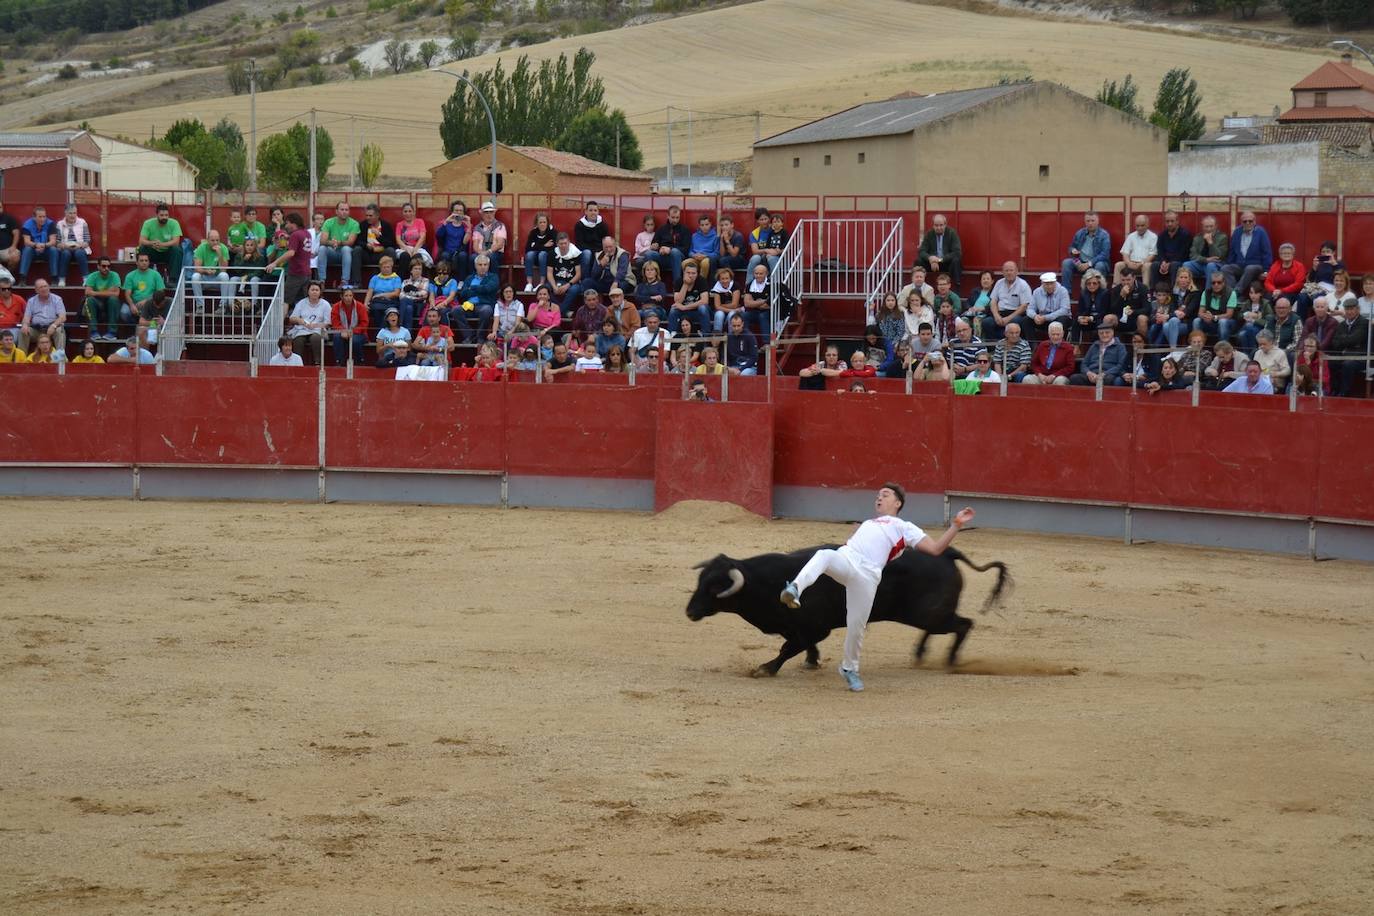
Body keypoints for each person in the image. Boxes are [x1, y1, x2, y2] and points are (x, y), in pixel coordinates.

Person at [780, 485, 976, 692]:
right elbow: (856, 545)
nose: (879, 498)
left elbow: (936, 549)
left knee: (856, 626)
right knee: (824, 555)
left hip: (868, 576)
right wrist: (855, 534)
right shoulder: (867, 523)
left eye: (885, 495)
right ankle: (794, 589)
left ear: (898, 503)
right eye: (878, 495)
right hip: (847, 559)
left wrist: (956, 525)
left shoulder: (904, 527)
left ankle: (849, 669)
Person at [266, 212, 313, 308]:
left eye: (287, 223)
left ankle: (280, 322)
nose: (286, 226)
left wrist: (274, 263)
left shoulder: (295, 235)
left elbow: (291, 253)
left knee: (285, 301)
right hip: (307, 272)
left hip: (296, 272)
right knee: (305, 301)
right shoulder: (307, 233)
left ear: (293, 223)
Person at [1061, 210, 1111, 295]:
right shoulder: (1080, 233)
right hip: (1080, 262)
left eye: (1092, 221)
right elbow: (1071, 247)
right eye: (1088, 221)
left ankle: (1098, 293)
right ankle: (1066, 294)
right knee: (1066, 263)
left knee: (1100, 265)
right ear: (1085, 222)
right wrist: (1073, 251)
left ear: (1098, 221)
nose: (1090, 223)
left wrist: (1088, 264)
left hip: (1095, 263)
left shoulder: (1104, 235)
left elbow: (1104, 254)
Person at [1222, 211, 1272, 294]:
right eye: (1245, 221)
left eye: (1250, 221)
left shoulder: (1261, 232)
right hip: (1240, 265)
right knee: (1225, 268)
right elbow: (1232, 251)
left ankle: (1235, 293)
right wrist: (1229, 263)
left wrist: (1266, 271)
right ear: (1241, 222)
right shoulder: (1237, 232)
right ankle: (1232, 292)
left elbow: (1266, 252)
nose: (1247, 223)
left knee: (1250, 268)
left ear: (1255, 222)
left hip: (1256, 266)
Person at [982, 261, 1032, 341]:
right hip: (1000, 313)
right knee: (986, 322)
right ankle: (995, 346)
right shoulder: (999, 283)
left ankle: (1010, 344)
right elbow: (993, 301)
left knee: (1015, 322)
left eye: (1011, 270)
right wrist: (996, 315)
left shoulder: (1023, 284)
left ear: (1016, 271)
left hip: (1015, 314)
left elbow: (1024, 306)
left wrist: (1008, 318)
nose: (1009, 273)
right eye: (1006, 270)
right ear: (1003, 272)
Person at [455, 253, 499, 343]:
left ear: (488, 266)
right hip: (469, 305)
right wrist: (480, 289)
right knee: (456, 310)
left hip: (484, 305)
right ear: (475, 266)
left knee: (486, 310)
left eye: (485, 265)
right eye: (480, 265)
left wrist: (472, 288)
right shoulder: (469, 278)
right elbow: (463, 293)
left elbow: (488, 288)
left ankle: (480, 337)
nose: (483, 267)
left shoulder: (493, 277)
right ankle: (469, 335)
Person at [1330, 299, 1369, 397]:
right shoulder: (1342, 324)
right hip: (1344, 355)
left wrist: (1344, 340)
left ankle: (1344, 393)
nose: (1349, 312)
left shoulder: (1364, 323)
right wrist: (1349, 341)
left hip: (1360, 358)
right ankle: (1333, 390)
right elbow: (1335, 343)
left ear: (1358, 310)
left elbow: (1356, 339)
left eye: (1352, 309)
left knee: (1348, 364)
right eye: (1347, 309)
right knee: (1331, 362)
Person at [1070, 318, 1126, 387]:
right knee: (1074, 378)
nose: (1104, 335)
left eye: (1107, 332)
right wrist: (1088, 373)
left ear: (1112, 333)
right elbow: (1084, 363)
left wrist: (1104, 374)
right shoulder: (1095, 345)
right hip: (1092, 374)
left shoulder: (1120, 346)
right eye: (1101, 333)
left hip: (1107, 374)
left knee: (1109, 380)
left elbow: (1120, 365)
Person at [137, 202, 184, 284]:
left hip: (167, 253)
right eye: (162, 215)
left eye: (166, 215)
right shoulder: (148, 223)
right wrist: (152, 243)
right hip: (153, 251)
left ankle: (173, 280)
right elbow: (141, 241)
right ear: (157, 215)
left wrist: (162, 244)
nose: (164, 217)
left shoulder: (174, 223)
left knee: (177, 250)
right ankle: (145, 276)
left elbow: (176, 242)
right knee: (142, 248)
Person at [317, 201, 360, 288]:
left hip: (346, 254)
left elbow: (351, 242)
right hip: (332, 252)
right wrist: (332, 243)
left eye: (346, 210)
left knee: (346, 249)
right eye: (342, 209)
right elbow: (322, 241)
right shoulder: (328, 222)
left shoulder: (354, 224)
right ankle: (321, 281)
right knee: (322, 248)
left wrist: (339, 242)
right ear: (336, 211)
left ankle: (344, 281)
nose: (344, 212)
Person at [190, 229, 233, 313]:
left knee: (224, 276)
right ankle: (200, 306)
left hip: (217, 278)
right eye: (212, 240)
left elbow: (224, 269)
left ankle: (222, 306)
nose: (215, 242)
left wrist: (219, 254)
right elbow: (197, 268)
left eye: (217, 240)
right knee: (195, 276)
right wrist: (206, 271)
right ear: (207, 240)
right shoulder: (201, 247)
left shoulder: (223, 248)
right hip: (205, 278)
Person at [288, 281, 331, 362]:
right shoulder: (301, 302)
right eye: (312, 290)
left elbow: (328, 323)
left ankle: (318, 362)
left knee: (315, 338)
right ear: (308, 291)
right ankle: (297, 363)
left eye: (317, 290)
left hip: (318, 329)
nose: (314, 292)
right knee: (298, 340)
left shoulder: (325, 304)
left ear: (320, 292)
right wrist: (299, 320)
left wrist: (316, 325)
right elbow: (292, 318)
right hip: (302, 328)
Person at [917, 214, 962, 293]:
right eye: (936, 225)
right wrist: (930, 258)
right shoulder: (929, 234)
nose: (938, 228)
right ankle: (918, 288)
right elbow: (921, 251)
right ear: (933, 225)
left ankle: (956, 290)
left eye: (941, 225)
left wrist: (939, 260)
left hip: (946, 263)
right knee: (918, 261)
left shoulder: (952, 233)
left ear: (945, 224)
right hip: (932, 264)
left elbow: (957, 252)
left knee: (956, 260)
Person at [647, 205, 690, 285]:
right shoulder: (661, 229)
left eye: (677, 217)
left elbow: (686, 249)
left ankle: (677, 285)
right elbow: (654, 243)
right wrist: (658, 248)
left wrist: (669, 249)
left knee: (675, 252)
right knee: (649, 254)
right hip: (662, 257)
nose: (675, 220)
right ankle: (652, 284)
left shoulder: (684, 229)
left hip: (678, 257)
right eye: (673, 217)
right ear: (668, 216)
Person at [82, 257, 122, 341]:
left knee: (113, 300)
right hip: (97, 303)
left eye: (108, 266)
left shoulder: (115, 275)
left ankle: (112, 332)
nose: (106, 268)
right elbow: (87, 292)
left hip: (109, 304)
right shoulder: (92, 276)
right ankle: (93, 332)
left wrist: (95, 293)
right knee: (89, 300)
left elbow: (116, 293)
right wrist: (108, 291)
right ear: (98, 266)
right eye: (103, 266)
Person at [20, 278, 66, 352]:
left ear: (49, 287)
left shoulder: (57, 299)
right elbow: (26, 317)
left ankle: (59, 359)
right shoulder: (31, 301)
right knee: (23, 331)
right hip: (36, 330)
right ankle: (21, 359)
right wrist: (25, 324)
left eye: (45, 286)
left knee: (60, 330)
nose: (44, 289)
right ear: (36, 290)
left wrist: (54, 325)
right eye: (41, 287)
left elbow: (62, 317)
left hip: (52, 329)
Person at [1185, 215, 1228, 289]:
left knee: (1210, 265)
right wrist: (1206, 260)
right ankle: (1188, 292)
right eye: (1206, 226)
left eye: (1211, 226)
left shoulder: (1222, 237)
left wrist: (1210, 243)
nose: (1209, 229)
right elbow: (1192, 255)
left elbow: (1219, 256)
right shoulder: (1197, 237)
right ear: (1202, 227)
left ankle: (1208, 294)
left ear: (1216, 226)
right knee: (1186, 265)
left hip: (1216, 265)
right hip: (1201, 264)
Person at [53, 203, 91, 286]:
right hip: (65, 248)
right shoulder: (60, 224)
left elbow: (87, 240)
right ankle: (62, 279)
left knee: (79, 253)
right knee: (65, 253)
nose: (72, 215)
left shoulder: (82, 222)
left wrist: (80, 245)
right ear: (65, 213)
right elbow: (57, 242)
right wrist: (63, 245)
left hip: (80, 247)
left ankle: (86, 279)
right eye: (70, 213)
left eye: (74, 213)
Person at [1195, 270, 1237, 344]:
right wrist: (1205, 316)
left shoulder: (1231, 293)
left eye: (1219, 282)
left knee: (1223, 322)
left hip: (1228, 322)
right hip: (1210, 322)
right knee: (1196, 321)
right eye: (1213, 283)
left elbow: (1229, 315)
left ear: (1223, 283)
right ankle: (1196, 348)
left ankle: (1223, 348)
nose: (1216, 285)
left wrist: (1214, 317)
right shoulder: (1206, 292)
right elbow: (1200, 313)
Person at [358, 203, 397, 282]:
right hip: (367, 253)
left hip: (381, 255)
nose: (368, 218)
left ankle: (390, 279)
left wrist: (379, 237)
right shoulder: (363, 225)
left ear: (377, 215)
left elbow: (392, 243)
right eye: (366, 215)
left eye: (370, 216)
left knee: (391, 250)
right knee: (357, 250)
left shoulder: (386, 225)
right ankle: (357, 281)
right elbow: (358, 241)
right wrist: (366, 245)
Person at [19, 205, 58, 283]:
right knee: (27, 249)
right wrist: (36, 245)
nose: (43, 219)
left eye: (44, 217)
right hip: (33, 250)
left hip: (45, 249)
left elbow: (53, 241)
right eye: (40, 217)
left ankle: (54, 278)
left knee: (53, 250)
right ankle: (22, 278)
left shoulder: (50, 224)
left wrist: (44, 245)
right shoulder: (27, 225)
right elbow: (27, 242)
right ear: (34, 217)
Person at [547, 233, 583, 316]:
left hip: (571, 282)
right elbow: (549, 273)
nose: (563, 246)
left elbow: (578, 274)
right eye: (561, 244)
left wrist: (568, 285)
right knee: (545, 288)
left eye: (565, 243)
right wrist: (554, 286)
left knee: (574, 289)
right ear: (557, 244)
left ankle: (559, 312)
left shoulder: (575, 253)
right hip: (557, 281)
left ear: (569, 243)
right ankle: (564, 311)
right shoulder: (552, 254)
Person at [1114, 214, 1157, 286]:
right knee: (1118, 265)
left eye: (1142, 225)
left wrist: (1141, 263)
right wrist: (1128, 263)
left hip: (1144, 264)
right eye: (1137, 226)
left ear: (1147, 225)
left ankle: (1146, 290)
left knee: (1147, 266)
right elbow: (1125, 253)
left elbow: (1152, 254)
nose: (1140, 228)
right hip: (1131, 263)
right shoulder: (1131, 236)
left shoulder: (1153, 237)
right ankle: (1116, 289)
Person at [364, 253, 404, 330]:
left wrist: (381, 295)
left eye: (388, 267)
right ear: (380, 268)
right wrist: (365, 303)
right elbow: (370, 292)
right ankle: (380, 332)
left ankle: (382, 333)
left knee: (388, 311)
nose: (386, 269)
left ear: (391, 267)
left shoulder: (396, 278)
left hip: (391, 302)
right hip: (377, 302)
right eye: (384, 267)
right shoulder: (375, 278)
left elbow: (396, 293)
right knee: (376, 309)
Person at [331, 287, 368, 365]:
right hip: (342, 332)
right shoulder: (336, 307)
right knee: (337, 337)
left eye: (350, 295)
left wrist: (352, 331)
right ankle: (339, 362)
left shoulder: (360, 306)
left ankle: (360, 362)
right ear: (341, 296)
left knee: (355, 340)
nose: (348, 298)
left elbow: (364, 323)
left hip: (359, 333)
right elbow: (335, 323)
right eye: (346, 295)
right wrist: (343, 331)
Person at [669, 261, 709, 334]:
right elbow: (678, 302)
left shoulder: (701, 280)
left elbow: (704, 300)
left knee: (703, 308)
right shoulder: (679, 281)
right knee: (673, 310)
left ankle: (705, 334)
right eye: (688, 273)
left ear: (697, 274)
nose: (690, 275)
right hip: (683, 312)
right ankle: (672, 335)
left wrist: (685, 307)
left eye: (693, 273)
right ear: (684, 272)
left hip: (696, 311)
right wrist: (685, 284)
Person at [573, 201, 611, 277]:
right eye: (590, 210)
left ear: (598, 212)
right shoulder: (579, 225)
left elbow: (606, 241)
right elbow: (579, 244)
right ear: (586, 212)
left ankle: (597, 279)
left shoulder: (603, 225)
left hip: (599, 251)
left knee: (604, 254)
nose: (593, 213)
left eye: (595, 210)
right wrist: (593, 251)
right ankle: (585, 279)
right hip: (585, 252)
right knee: (587, 253)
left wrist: (600, 252)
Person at [435, 200, 471, 281]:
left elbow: (465, 242)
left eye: (460, 211)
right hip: (447, 250)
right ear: (452, 211)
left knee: (463, 256)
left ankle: (461, 281)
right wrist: (446, 221)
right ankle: (445, 280)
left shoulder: (466, 225)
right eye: (456, 210)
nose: (458, 213)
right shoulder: (446, 223)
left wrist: (469, 226)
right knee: (445, 255)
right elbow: (438, 235)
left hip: (460, 251)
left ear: (464, 212)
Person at [1072, 269, 1111, 343]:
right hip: (1088, 320)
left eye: (1094, 283)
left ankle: (1096, 347)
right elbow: (1080, 311)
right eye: (1089, 283)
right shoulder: (1083, 293)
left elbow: (1104, 312)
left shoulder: (1105, 293)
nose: (1091, 285)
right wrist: (1080, 318)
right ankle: (1075, 346)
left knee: (1099, 323)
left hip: (1099, 319)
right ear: (1085, 284)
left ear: (1099, 284)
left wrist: (1091, 318)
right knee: (1076, 322)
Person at [232, 236, 270, 311]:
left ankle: (254, 304)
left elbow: (259, 272)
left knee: (254, 279)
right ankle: (230, 304)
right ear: (244, 246)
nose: (249, 247)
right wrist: (244, 260)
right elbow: (237, 270)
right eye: (247, 245)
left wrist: (247, 276)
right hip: (242, 278)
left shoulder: (260, 257)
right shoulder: (239, 256)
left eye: (251, 245)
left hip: (254, 278)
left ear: (255, 246)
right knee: (233, 279)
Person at [1264, 243, 1307, 308]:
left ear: (1293, 255)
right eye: (1284, 253)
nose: (1286, 255)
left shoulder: (1299, 266)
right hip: (1275, 292)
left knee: (1281, 299)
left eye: (1288, 253)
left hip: (1291, 293)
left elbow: (1299, 284)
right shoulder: (1275, 265)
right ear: (1280, 255)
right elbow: (1268, 282)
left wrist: (1282, 291)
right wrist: (1274, 290)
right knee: (1266, 298)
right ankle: (1269, 317)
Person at [393, 202, 430, 276]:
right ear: (402, 213)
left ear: (413, 212)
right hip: (404, 248)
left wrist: (415, 249)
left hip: (418, 247)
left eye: (410, 211)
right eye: (405, 211)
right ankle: (401, 280)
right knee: (405, 256)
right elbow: (398, 240)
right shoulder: (399, 225)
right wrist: (407, 249)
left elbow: (423, 237)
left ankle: (419, 281)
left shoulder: (420, 222)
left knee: (417, 257)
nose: (408, 213)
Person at [1026, 272, 1069, 337]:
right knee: (1026, 320)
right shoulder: (1037, 291)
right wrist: (1035, 316)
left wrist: (1046, 317)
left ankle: (1060, 344)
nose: (1049, 286)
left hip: (1056, 318)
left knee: (1063, 319)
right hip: (1042, 319)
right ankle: (1032, 345)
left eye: (1051, 283)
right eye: (1046, 284)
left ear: (1055, 282)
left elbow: (1064, 310)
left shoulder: (1063, 291)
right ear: (1042, 284)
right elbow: (1030, 309)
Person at [522, 211, 556, 292]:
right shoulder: (533, 232)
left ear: (547, 223)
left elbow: (552, 249)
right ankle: (529, 283)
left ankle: (542, 283)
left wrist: (536, 246)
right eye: (540, 222)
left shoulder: (553, 232)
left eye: (544, 222)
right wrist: (544, 246)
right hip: (534, 258)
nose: (542, 224)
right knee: (529, 254)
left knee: (542, 254)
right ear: (536, 223)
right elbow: (528, 248)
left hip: (546, 260)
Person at [746, 211, 786, 277]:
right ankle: (748, 284)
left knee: (772, 258)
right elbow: (755, 251)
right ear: (757, 221)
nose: (764, 221)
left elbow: (785, 245)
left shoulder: (776, 229)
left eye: (765, 219)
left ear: (769, 219)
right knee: (755, 258)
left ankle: (776, 284)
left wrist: (777, 252)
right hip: (762, 256)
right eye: (761, 220)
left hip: (775, 256)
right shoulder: (755, 233)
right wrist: (766, 250)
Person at [398, 259, 434, 328]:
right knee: (408, 308)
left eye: (420, 269)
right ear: (411, 270)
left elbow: (424, 294)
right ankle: (408, 334)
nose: (418, 271)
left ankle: (400, 324)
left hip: (419, 305)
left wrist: (409, 293)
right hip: (408, 304)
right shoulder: (405, 282)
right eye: (415, 269)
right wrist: (416, 292)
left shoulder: (425, 280)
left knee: (405, 300)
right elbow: (401, 295)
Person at [635, 259, 669, 325]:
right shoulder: (641, 285)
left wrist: (645, 298)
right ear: (644, 272)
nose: (649, 272)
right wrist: (652, 298)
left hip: (657, 309)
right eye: (647, 270)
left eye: (652, 270)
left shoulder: (661, 285)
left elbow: (662, 297)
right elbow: (637, 297)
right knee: (634, 313)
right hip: (643, 309)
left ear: (656, 272)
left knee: (649, 313)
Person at [0, 199, 21, 273]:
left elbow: (16, 233)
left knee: (15, 256)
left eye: (0, 207)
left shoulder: (9, 219)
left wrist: (14, 246)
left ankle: (9, 276)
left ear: (2, 208)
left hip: (7, 250)